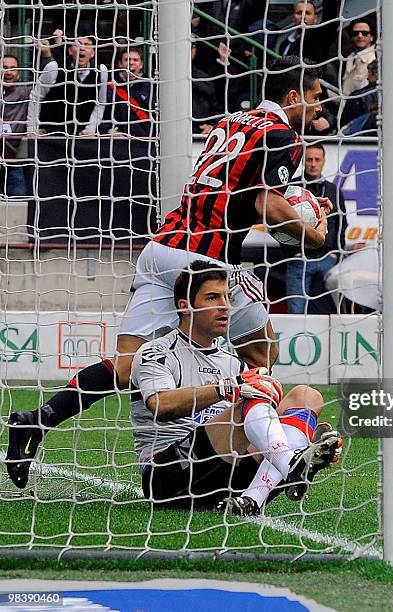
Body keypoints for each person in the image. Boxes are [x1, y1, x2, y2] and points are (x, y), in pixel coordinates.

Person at [6, 56, 331, 490]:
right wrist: (312, 233)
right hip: (204, 261)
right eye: (315, 101)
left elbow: (248, 188)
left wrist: (297, 204)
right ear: (293, 98)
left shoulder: (233, 120)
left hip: (161, 247)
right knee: (262, 357)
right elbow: (266, 206)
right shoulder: (283, 134)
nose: (318, 112)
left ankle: (39, 420)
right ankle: (271, 463)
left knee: (126, 366)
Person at [132, 261, 342, 515]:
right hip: (168, 477)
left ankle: (253, 499)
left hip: (226, 478)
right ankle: (292, 464)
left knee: (306, 396)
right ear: (185, 306)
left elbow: (265, 425)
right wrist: (226, 388)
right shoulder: (156, 352)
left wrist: (308, 438)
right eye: (212, 297)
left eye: (227, 297)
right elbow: (161, 405)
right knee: (255, 389)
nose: (225, 306)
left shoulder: (233, 363)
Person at [286, 144, 347, 314]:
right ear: (303, 162)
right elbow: (280, 223)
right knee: (296, 314)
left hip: (327, 260)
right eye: (309, 159)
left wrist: (336, 254)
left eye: (317, 160)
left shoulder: (333, 190)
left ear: (323, 162)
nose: (313, 164)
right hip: (299, 260)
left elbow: (342, 224)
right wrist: (292, 252)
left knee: (322, 314)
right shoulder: (293, 189)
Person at [27, 34, 108, 135]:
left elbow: (100, 103)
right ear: (70, 50)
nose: (82, 48)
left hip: (82, 135)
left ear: (93, 53)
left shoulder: (101, 71)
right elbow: (36, 97)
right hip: (50, 133)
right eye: (78, 44)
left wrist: (90, 129)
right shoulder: (54, 68)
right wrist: (32, 128)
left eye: (87, 44)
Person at [100, 48, 154, 138]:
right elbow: (101, 116)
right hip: (117, 142)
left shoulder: (151, 87)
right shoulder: (109, 88)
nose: (131, 63)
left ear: (141, 65)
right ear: (120, 64)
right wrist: (110, 131)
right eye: (127, 60)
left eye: (135, 60)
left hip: (144, 142)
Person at [0, 54, 31, 196]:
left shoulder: (25, 93)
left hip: (14, 163)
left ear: (18, 75)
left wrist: (47, 55)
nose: (8, 72)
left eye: (13, 69)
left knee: (18, 202)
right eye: (5, 68)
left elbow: (49, 79)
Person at [190, 41, 222, 136]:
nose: (189, 49)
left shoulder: (204, 78)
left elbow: (217, 110)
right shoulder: (163, 78)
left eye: (192, 46)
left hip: (201, 134)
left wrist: (212, 126)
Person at [341, 59, 378, 134]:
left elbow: (344, 125)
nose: (367, 78)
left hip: (359, 140)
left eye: (369, 73)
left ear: (374, 74)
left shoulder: (356, 97)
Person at [342, 18, 377, 96]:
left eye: (364, 33)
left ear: (372, 37)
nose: (360, 36)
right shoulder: (349, 57)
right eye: (355, 33)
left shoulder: (375, 58)